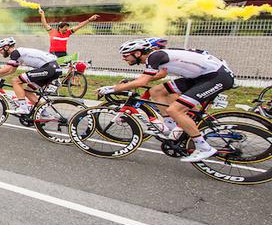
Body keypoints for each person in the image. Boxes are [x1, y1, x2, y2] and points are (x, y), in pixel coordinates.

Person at [98, 40, 235, 163]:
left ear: (138, 53)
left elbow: (142, 82)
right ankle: (170, 127)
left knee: (175, 109)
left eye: (126, 55)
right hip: (200, 77)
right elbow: (159, 75)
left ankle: (203, 147)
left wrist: (112, 88)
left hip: (215, 77)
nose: (123, 58)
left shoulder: (154, 56)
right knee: (157, 91)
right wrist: (131, 83)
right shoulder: (158, 55)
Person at [0, 37, 59, 115]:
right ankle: (44, 113)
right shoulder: (19, 54)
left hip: (49, 68)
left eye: (0, 49)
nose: (0, 52)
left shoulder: (15, 52)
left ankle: (23, 108)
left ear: (6, 47)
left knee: (16, 81)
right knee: (28, 91)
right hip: (52, 69)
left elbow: (8, 68)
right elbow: (11, 71)